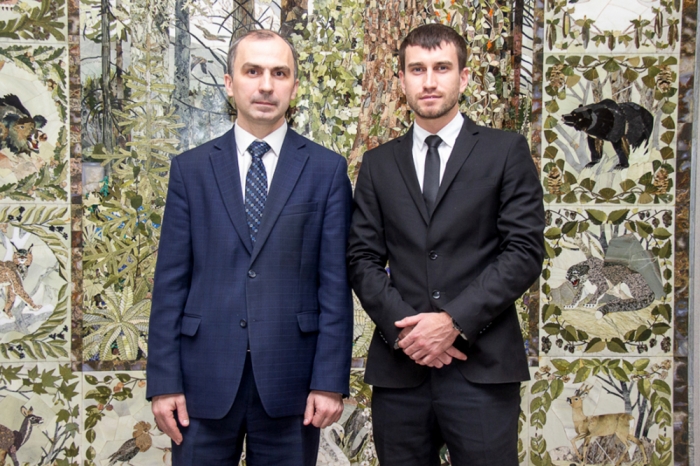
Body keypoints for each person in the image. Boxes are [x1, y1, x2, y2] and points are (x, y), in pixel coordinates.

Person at [146, 29, 353, 465]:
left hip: (292, 385)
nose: (266, 85)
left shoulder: (327, 170)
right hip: (201, 383)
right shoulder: (190, 170)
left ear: (294, 85)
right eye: (252, 71)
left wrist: (329, 381)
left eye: (279, 73)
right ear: (229, 82)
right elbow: (170, 284)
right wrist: (164, 382)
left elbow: (334, 286)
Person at [347, 23, 545, 466]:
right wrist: (410, 332)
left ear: (464, 77)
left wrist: (453, 321)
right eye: (417, 69)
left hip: (483, 369)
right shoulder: (378, 164)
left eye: (442, 67)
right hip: (401, 371)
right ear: (402, 80)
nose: (429, 81)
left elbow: (524, 251)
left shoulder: (505, 151)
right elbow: (360, 258)